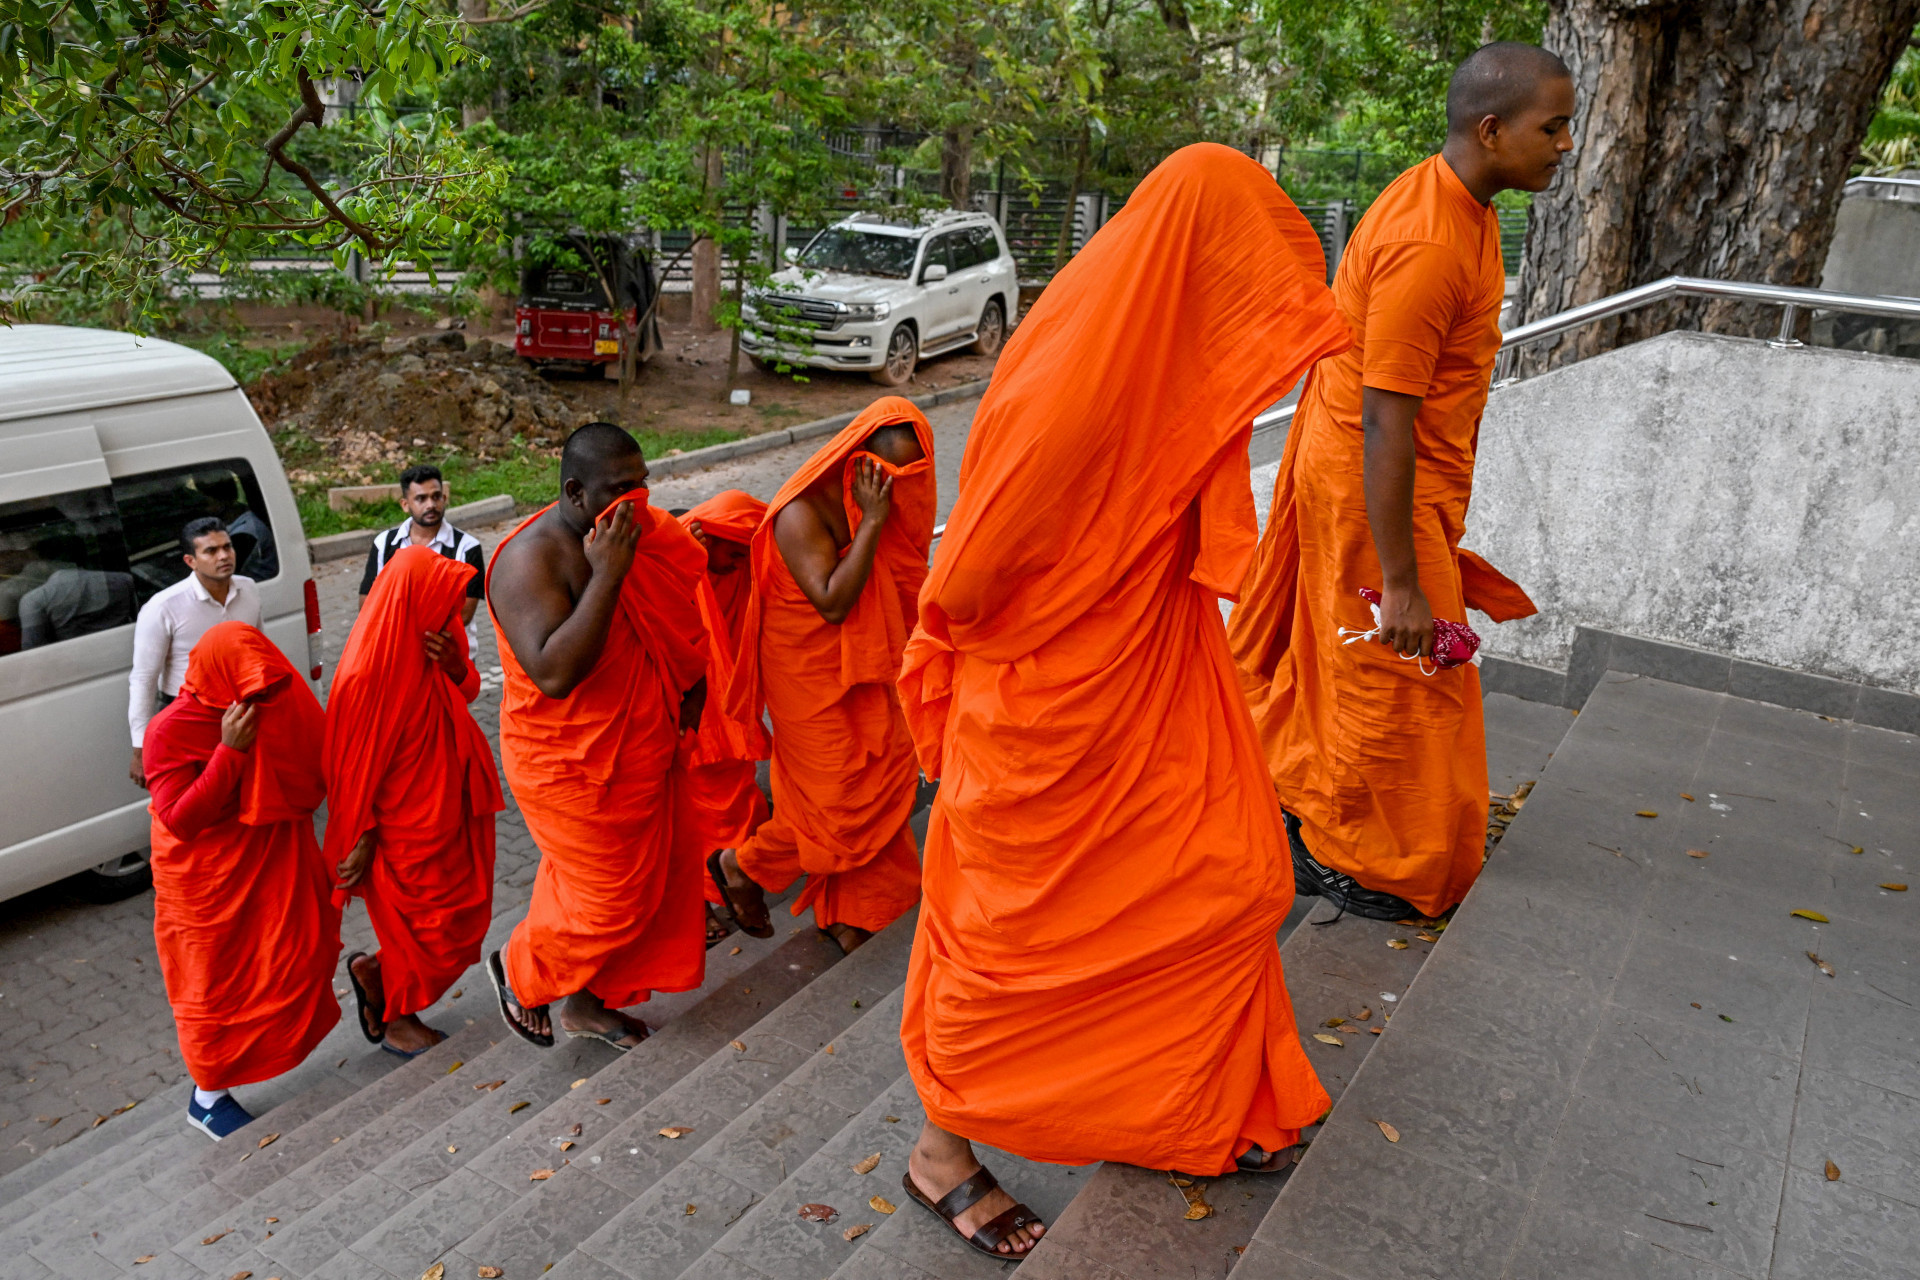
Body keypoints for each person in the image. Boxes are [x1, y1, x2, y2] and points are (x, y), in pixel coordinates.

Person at [892, 143, 1352, 1258]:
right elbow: (975, 571)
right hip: (1049, 707)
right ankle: (941, 1148)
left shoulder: (1159, 350)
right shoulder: (1079, 367)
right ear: (1192, 273)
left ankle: (1189, 1101)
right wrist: (1080, 592)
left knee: (1233, 879)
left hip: (1151, 680)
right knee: (1013, 945)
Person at [1228, 43, 1568, 922]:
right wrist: (1405, 581)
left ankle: (1312, 808)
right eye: (1553, 127)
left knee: (1358, 668)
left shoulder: (1462, 204)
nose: (1565, 144)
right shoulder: (1428, 239)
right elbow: (1387, 417)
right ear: (1492, 131)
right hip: (1371, 485)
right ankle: (1362, 858)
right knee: (1394, 672)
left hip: (1382, 477)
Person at [484, 422, 711, 1050]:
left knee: (650, 882)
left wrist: (689, 690)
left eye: (642, 485)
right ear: (575, 492)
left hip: (640, 743)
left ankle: (585, 1002)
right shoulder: (532, 560)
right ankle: (519, 968)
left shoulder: (631, 530)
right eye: (618, 490)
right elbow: (556, 673)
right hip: (567, 765)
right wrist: (609, 573)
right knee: (610, 901)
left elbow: (675, 614)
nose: (636, 502)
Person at [708, 402, 932, 956]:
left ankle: (854, 910)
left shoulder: (881, 500)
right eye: (884, 474)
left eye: (907, 478)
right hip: (807, 675)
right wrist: (874, 521)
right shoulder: (802, 511)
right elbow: (832, 602)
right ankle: (743, 865)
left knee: (882, 774)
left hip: (869, 662)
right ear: (857, 461)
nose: (893, 487)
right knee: (837, 803)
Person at [142, 621, 340, 1138]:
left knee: (289, 957)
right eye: (254, 686)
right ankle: (207, 1094)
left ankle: (271, 1051)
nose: (265, 696)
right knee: (212, 986)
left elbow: (307, 768)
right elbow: (179, 819)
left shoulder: (260, 707)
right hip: (204, 887)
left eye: (269, 686)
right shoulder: (169, 729)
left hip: (265, 865)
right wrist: (230, 751)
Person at [326, 547, 504, 1058]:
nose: (453, 613)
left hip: (453, 810)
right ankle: (397, 1017)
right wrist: (357, 836)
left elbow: (467, 693)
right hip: (403, 831)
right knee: (428, 930)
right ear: (411, 601)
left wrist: (454, 664)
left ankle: (378, 973)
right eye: (441, 599)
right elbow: (348, 771)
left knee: (463, 919)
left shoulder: (433, 645)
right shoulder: (364, 675)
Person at [676, 492, 772, 945]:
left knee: (735, 806)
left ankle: (724, 885)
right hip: (688, 715)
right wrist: (681, 566)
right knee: (689, 817)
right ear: (707, 535)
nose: (738, 563)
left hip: (733, 710)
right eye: (732, 551)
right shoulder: (669, 561)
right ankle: (698, 900)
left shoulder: (742, 568)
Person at [129, 519, 264, 788]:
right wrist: (140, 748)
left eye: (227, 547)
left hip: (240, 713)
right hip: (186, 718)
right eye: (211, 551)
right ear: (190, 561)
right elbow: (143, 679)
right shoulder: (163, 607)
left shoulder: (248, 589)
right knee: (195, 802)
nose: (224, 556)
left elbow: (260, 650)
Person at [359, 464, 486, 650]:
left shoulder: (467, 547)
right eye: (421, 498)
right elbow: (367, 603)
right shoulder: (385, 543)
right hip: (397, 652)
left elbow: (464, 614)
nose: (431, 505)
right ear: (405, 504)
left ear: (444, 498)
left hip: (450, 657)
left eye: (436, 496)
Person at [195, 470, 278, 581]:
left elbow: (216, 572)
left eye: (207, 503)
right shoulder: (237, 514)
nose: (203, 508)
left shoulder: (245, 533)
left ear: (222, 500)